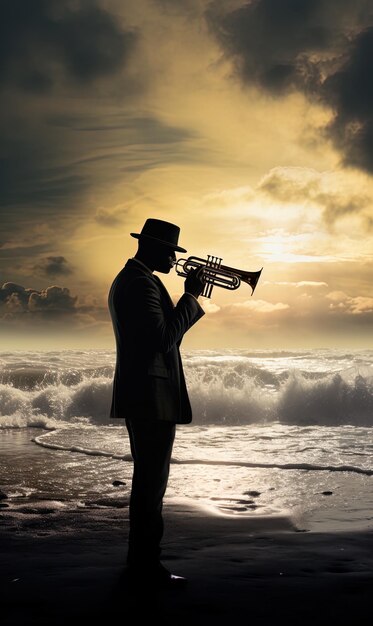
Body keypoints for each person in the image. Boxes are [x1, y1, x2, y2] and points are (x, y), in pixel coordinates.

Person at [108, 218, 205, 585]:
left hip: (146, 395)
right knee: (151, 483)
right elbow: (164, 339)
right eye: (169, 250)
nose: (173, 257)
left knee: (150, 481)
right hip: (149, 397)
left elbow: (161, 337)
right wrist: (191, 296)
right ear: (149, 246)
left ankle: (142, 560)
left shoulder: (136, 279)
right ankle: (145, 564)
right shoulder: (138, 283)